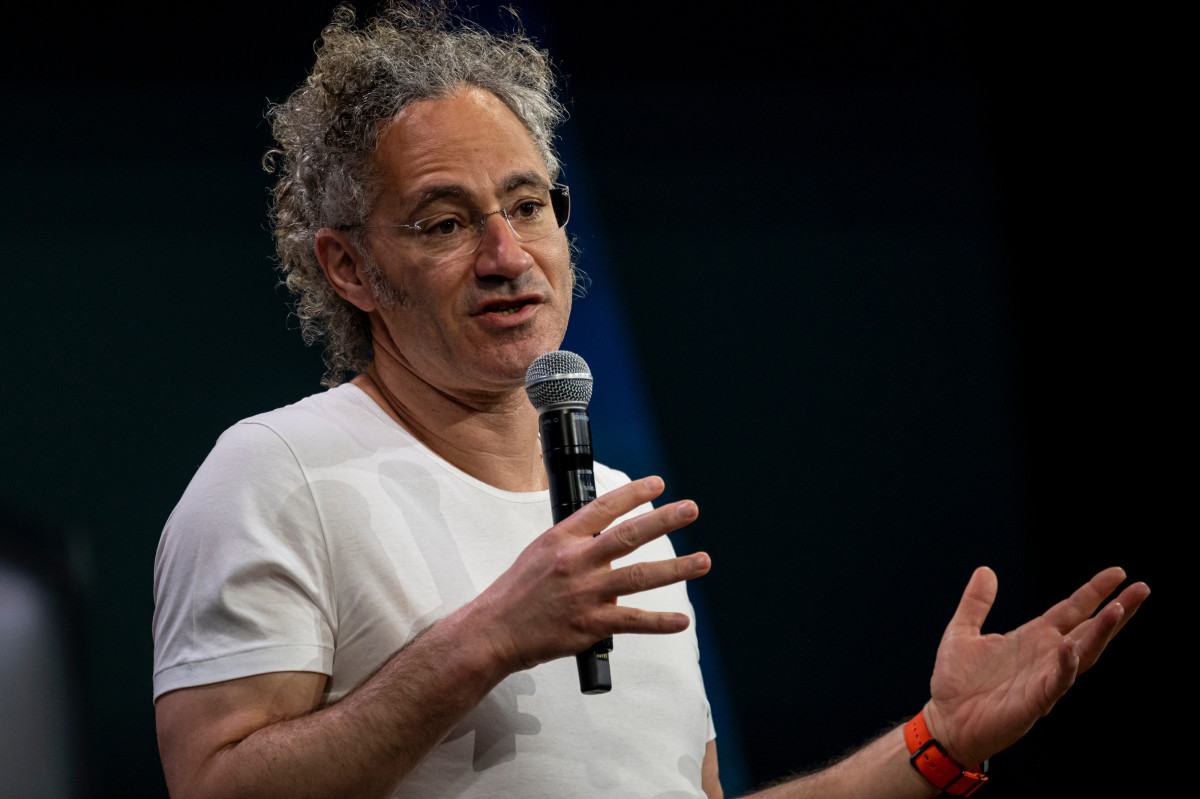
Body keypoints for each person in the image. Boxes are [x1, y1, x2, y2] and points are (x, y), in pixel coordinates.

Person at [151, 3, 1149, 798]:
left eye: (529, 206)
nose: (508, 255)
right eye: (445, 223)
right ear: (350, 267)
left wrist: (935, 744)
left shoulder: (614, 510)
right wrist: (485, 640)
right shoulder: (280, 473)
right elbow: (213, 783)